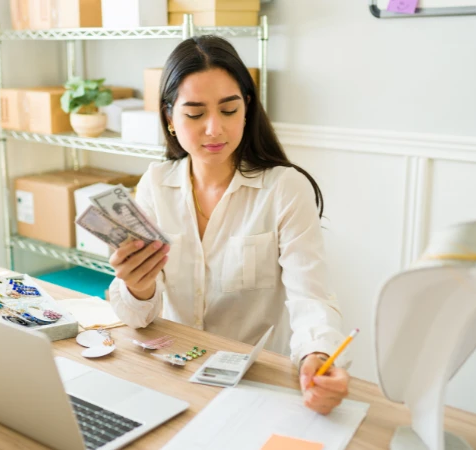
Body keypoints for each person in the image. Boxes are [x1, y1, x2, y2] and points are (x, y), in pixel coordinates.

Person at [106, 35, 350, 415]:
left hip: (254, 385)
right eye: (195, 113)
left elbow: (311, 297)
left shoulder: (285, 189)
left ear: (247, 109)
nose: (214, 129)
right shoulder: (155, 183)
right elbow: (136, 319)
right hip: (173, 375)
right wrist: (137, 288)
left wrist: (316, 354)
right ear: (170, 118)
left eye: (229, 110)